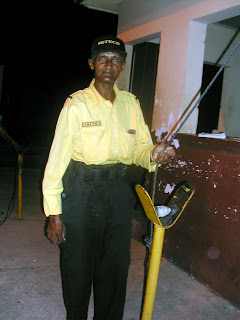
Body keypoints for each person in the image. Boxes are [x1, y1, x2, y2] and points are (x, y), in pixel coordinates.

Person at [42, 35, 175, 320]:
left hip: (117, 191)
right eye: (102, 59)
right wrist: (54, 212)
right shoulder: (76, 105)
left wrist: (154, 154)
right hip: (80, 189)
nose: (108, 65)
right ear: (92, 64)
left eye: (115, 60)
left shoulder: (131, 104)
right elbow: (57, 160)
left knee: (115, 268)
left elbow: (140, 149)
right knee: (77, 267)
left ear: (122, 66)